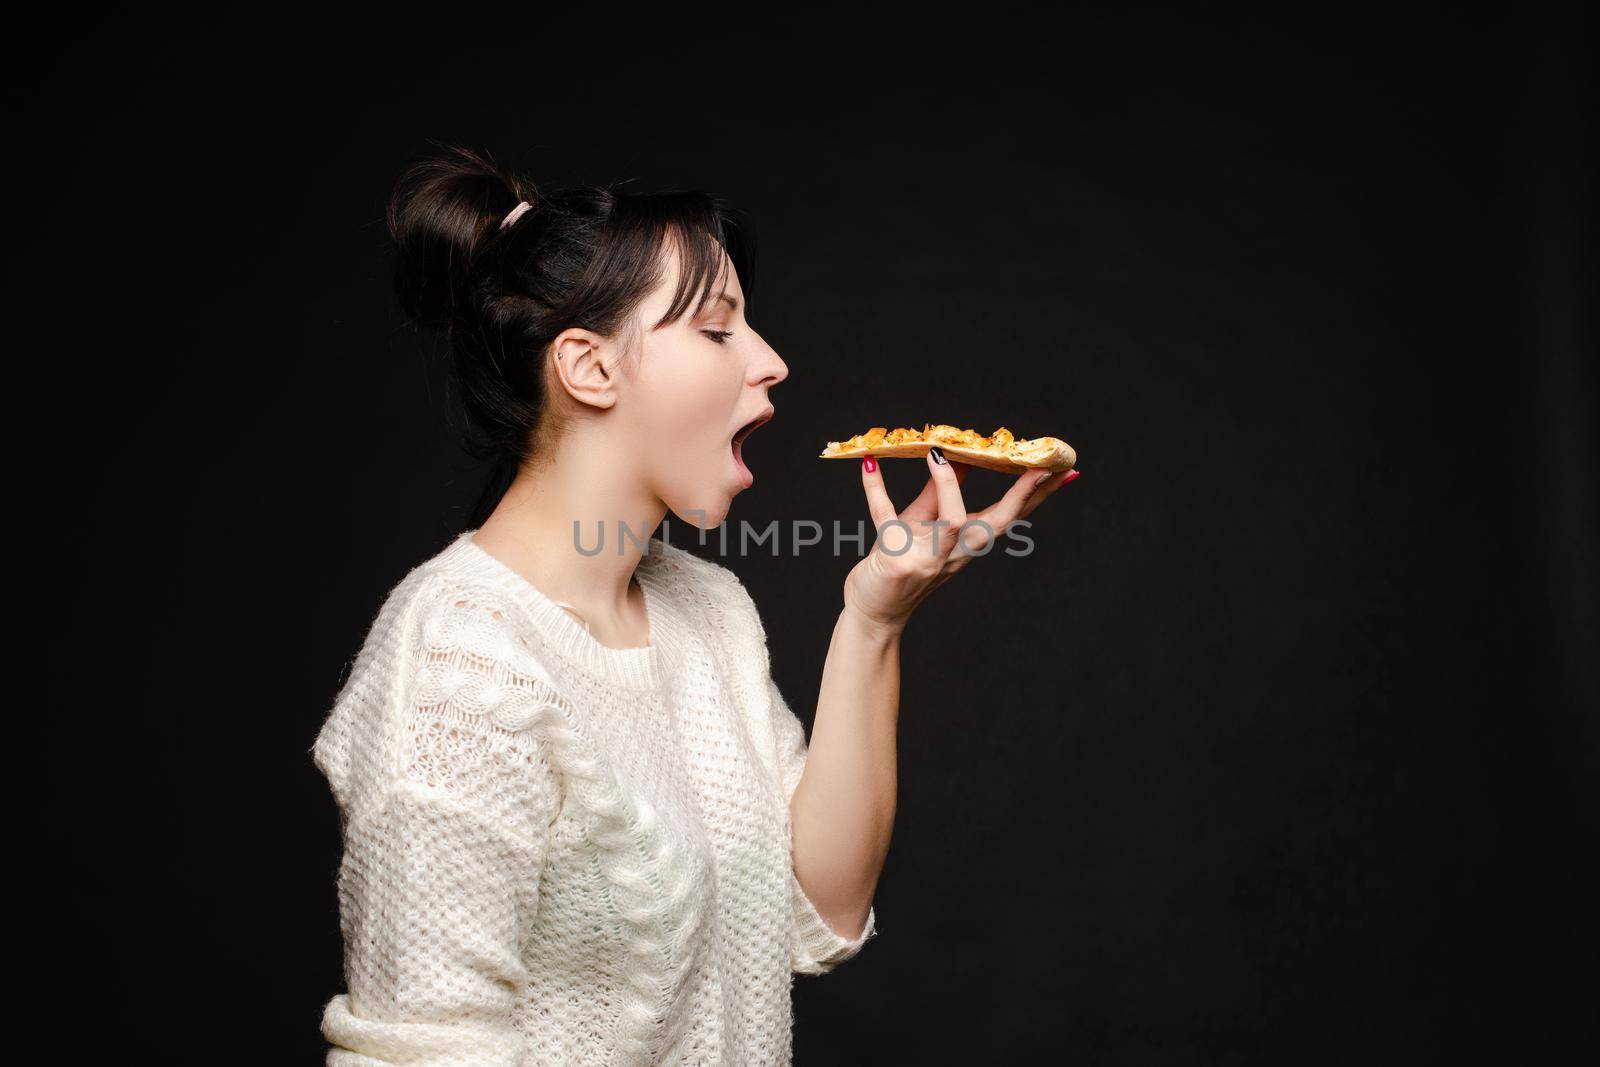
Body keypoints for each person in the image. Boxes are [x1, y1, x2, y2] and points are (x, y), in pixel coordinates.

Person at [310, 144, 1079, 1066]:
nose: (773, 362)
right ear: (589, 369)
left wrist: (874, 620)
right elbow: (425, 1049)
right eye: (718, 330)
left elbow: (821, 908)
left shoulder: (708, 609)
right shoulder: (458, 660)